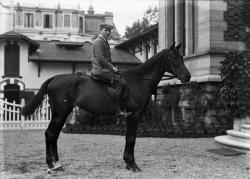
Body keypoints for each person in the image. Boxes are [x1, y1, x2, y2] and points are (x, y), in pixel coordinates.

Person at [91, 23, 131, 117]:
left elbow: (106, 59)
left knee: (122, 76)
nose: (108, 32)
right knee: (122, 83)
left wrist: (113, 67)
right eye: (106, 30)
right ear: (100, 30)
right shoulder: (99, 41)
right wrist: (112, 68)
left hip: (105, 69)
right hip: (99, 70)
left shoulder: (104, 41)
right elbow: (101, 58)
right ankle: (118, 110)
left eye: (109, 31)